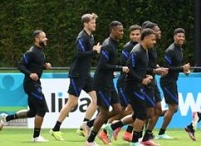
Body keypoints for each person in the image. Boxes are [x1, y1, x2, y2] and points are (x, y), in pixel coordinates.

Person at [51, 13, 101, 141]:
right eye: (92, 22)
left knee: (97, 100)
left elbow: (88, 55)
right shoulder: (82, 37)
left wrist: (94, 52)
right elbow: (79, 54)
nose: (94, 24)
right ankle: (55, 128)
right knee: (72, 103)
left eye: (95, 22)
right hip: (77, 74)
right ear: (85, 24)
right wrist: (94, 51)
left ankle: (83, 126)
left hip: (86, 74)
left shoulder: (91, 36)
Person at [0, 30, 52, 143]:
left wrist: (44, 66)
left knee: (33, 112)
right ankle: (36, 137)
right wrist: (30, 74)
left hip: (35, 84)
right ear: (37, 39)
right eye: (43, 37)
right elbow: (20, 65)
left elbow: (36, 65)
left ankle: (6, 118)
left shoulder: (41, 52)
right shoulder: (31, 52)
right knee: (42, 109)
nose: (46, 39)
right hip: (31, 85)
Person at [85, 21, 130, 146]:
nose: (122, 32)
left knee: (118, 109)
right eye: (119, 30)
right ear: (112, 30)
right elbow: (102, 65)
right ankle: (90, 140)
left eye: (122, 30)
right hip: (101, 83)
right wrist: (120, 68)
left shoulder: (114, 44)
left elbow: (107, 65)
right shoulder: (108, 44)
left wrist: (113, 71)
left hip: (108, 81)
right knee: (104, 112)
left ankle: (90, 124)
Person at [157, 28, 191, 139]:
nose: (181, 38)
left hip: (172, 81)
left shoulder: (179, 49)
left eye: (183, 36)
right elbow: (166, 68)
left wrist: (184, 71)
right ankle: (162, 133)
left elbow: (176, 67)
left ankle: (153, 114)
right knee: (172, 107)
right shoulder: (170, 50)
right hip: (167, 82)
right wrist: (182, 68)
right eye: (179, 36)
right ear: (174, 37)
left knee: (175, 109)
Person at [124, 28, 157, 146]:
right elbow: (129, 69)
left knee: (140, 113)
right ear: (146, 38)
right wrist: (141, 79)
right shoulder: (136, 51)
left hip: (137, 85)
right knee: (142, 114)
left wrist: (147, 75)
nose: (154, 42)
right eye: (153, 39)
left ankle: (113, 127)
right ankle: (134, 142)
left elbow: (139, 69)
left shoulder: (145, 50)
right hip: (132, 86)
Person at [112, 25, 142, 142]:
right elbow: (127, 65)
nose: (135, 36)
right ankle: (109, 127)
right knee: (125, 109)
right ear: (129, 35)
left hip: (134, 83)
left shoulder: (142, 47)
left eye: (137, 34)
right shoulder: (127, 48)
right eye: (133, 34)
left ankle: (126, 131)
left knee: (134, 110)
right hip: (125, 82)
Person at [142, 22, 168, 143]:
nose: (159, 32)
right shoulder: (143, 49)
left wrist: (157, 68)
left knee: (157, 109)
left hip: (153, 81)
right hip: (145, 82)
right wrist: (155, 70)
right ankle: (113, 127)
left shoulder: (152, 48)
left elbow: (151, 65)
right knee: (146, 112)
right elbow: (141, 68)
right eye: (157, 30)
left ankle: (147, 135)